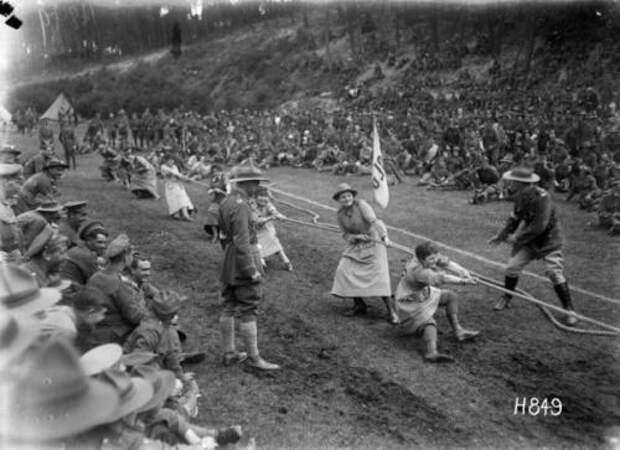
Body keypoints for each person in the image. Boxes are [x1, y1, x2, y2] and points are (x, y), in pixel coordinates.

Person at [489, 167, 578, 326]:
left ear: (522, 184)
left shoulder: (543, 198)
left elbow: (539, 226)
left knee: (554, 272)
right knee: (512, 267)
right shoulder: (520, 196)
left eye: (513, 181)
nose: (510, 184)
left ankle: (569, 309)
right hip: (530, 241)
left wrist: (517, 238)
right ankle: (507, 297)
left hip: (549, 240)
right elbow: (514, 218)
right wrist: (501, 236)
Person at [218, 164, 280, 370]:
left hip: (229, 258)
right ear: (247, 183)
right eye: (256, 183)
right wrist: (251, 269)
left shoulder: (226, 201)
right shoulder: (242, 205)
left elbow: (223, 235)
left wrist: (230, 257)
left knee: (228, 304)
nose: (257, 187)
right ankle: (254, 358)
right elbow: (243, 241)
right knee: (248, 307)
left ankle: (229, 352)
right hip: (244, 258)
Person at [394, 241, 479, 363]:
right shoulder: (418, 271)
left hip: (423, 293)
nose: (435, 261)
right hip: (409, 301)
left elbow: (446, 263)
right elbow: (443, 278)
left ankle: (458, 331)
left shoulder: (425, 256)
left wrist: (463, 272)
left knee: (450, 296)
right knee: (429, 323)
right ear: (421, 259)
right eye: (431, 259)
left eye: (435, 257)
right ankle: (431, 352)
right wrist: (464, 281)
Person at [330, 183, 398, 324]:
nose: (346, 199)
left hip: (373, 241)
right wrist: (354, 237)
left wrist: (385, 237)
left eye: (348, 195)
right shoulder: (340, 214)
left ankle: (391, 311)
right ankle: (359, 304)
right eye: (343, 197)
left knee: (379, 276)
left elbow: (375, 221)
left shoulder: (362, 205)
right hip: (356, 244)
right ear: (339, 200)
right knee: (344, 270)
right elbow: (344, 234)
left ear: (352, 196)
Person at [87, 234, 147, 345]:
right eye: (131, 254)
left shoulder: (96, 276)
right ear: (126, 257)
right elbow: (134, 317)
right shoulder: (118, 283)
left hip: (94, 330)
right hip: (115, 335)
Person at [253, 186, 292, 271]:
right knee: (257, 245)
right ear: (255, 197)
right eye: (261, 196)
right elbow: (257, 221)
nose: (264, 198)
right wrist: (270, 218)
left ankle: (285, 261)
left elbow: (274, 211)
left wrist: (280, 216)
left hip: (266, 229)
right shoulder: (252, 206)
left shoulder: (268, 204)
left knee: (272, 239)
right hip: (253, 231)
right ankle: (261, 261)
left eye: (266, 196)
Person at [161, 154, 195, 221]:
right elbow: (174, 174)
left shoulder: (174, 166)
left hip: (178, 185)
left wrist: (186, 179)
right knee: (173, 200)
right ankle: (177, 214)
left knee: (183, 198)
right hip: (171, 186)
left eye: (172, 160)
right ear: (165, 161)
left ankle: (185, 215)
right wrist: (183, 177)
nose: (171, 162)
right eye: (169, 160)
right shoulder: (163, 167)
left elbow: (178, 175)